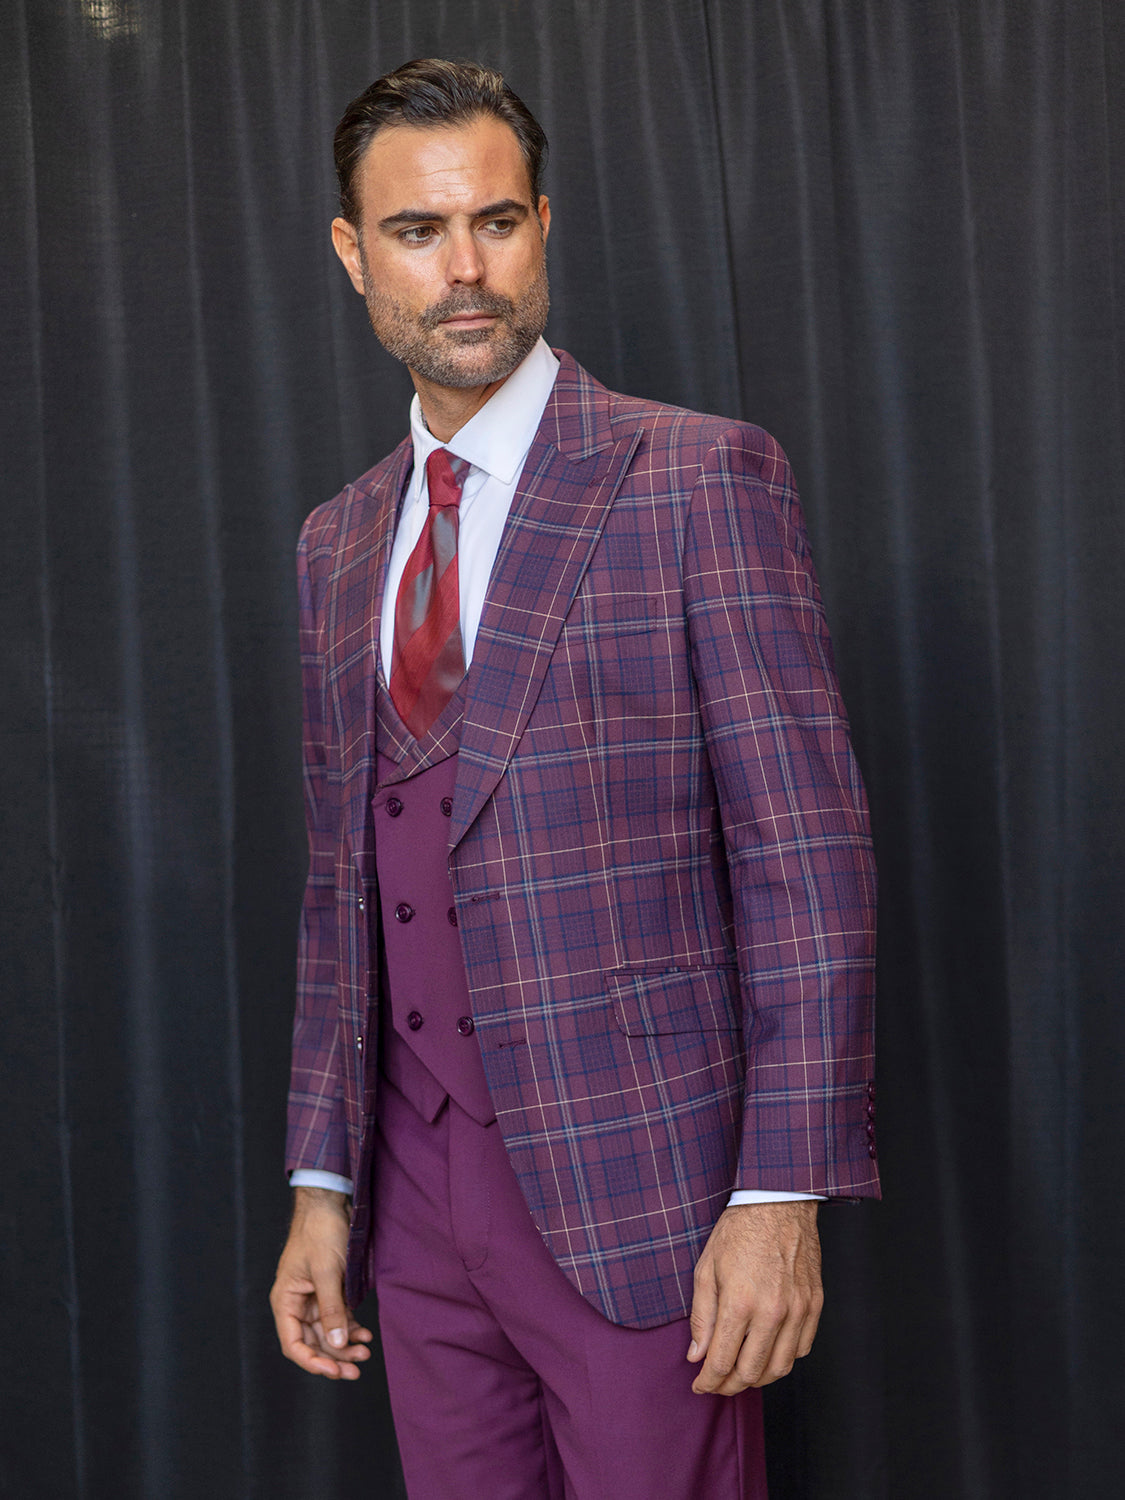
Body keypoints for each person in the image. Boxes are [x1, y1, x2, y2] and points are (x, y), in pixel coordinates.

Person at [269, 57, 879, 1500]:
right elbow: (339, 892)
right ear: (355, 255)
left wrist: (776, 1192)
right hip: (415, 1207)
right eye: (418, 232)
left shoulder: (694, 478)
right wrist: (321, 1183)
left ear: (542, 226)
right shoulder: (335, 543)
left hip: (642, 1193)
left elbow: (809, 859)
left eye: (496, 221)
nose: (463, 268)